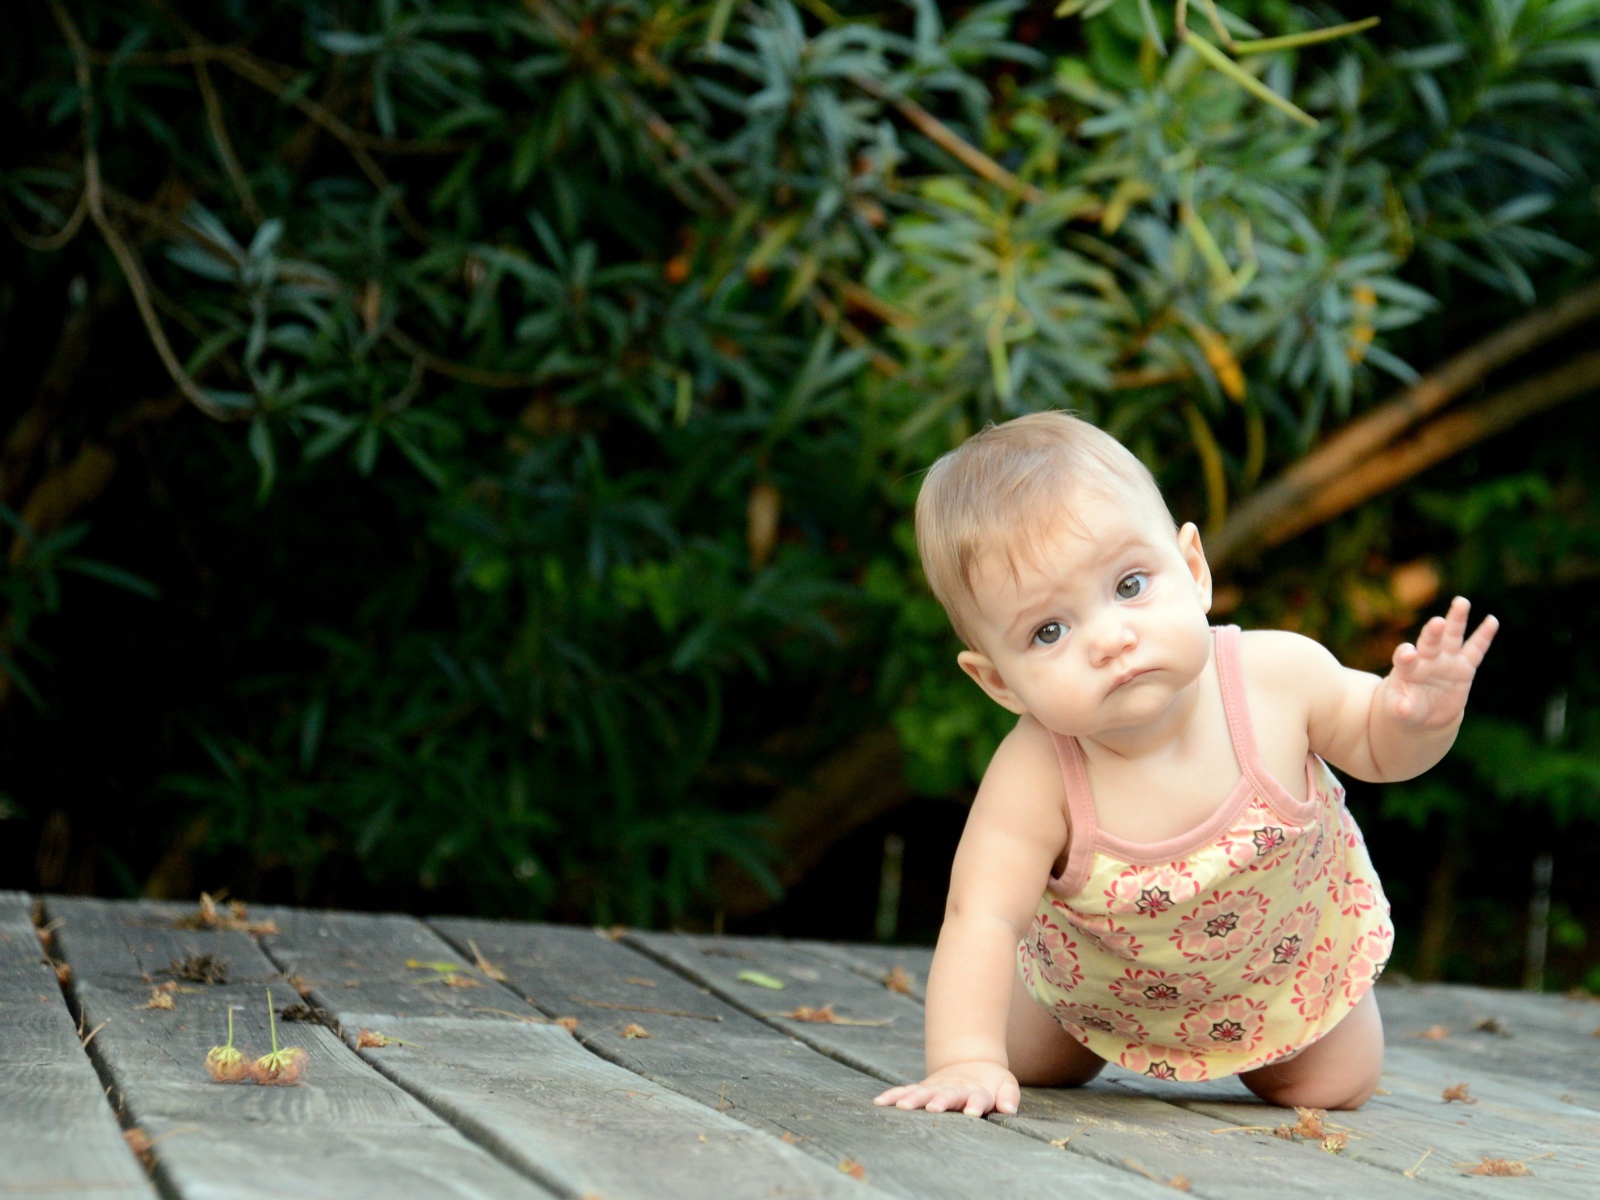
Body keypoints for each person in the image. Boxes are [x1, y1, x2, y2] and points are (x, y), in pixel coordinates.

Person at [873, 411, 1498, 1118]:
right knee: (1021, 1065)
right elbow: (981, 916)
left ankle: (1288, 1046)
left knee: (1337, 1088)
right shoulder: (1036, 773)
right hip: (1091, 988)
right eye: (1049, 630)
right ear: (1000, 684)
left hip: (1275, 973)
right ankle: (1054, 1031)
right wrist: (964, 1060)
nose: (1111, 638)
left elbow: (1382, 750)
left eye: (1130, 585)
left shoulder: (1278, 678)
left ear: (1193, 569)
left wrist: (1417, 717)